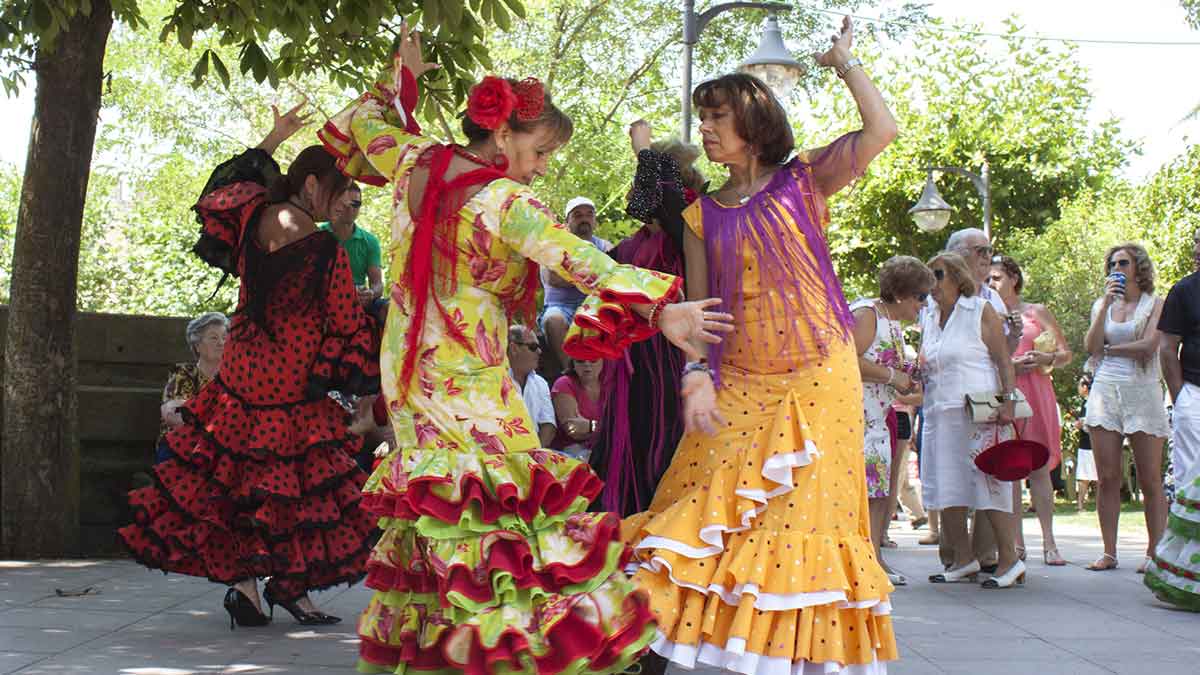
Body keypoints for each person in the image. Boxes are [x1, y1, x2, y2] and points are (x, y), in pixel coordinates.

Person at [319, 27, 733, 674]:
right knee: (511, 504)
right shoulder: (500, 198)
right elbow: (576, 254)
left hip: (408, 370)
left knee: (449, 512)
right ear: (503, 134)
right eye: (540, 150)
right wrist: (661, 306)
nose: (543, 166)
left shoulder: (414, 158)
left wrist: (401, 74)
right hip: (463, 370)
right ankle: (509, 650)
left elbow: (368, 121)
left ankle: (452, 651)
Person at [625, 17, 900, 672]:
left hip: (818, 377)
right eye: (703, 119)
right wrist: (696, 376)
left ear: (753, 121)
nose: (707, 131)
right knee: (695, 503)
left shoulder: (802, 180)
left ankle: (790, 658)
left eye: (717, 117)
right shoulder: (699, 213)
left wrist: (845, 64)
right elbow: (700, 315)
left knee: (806, 513)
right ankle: (673, 644)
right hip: (741, 378)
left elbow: (881, 131)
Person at [120, 104, 381, 629]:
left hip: (242, 371)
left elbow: (224, 188)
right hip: (290, 379)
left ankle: (247, 590)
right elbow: (346, 323)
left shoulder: (256, 214)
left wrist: (273, 137)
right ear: (313, 187)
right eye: (336, 192)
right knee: (294, 487)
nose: (342, 203)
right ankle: (293, 590)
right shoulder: (323, 248)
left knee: (233, 480)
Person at [589, 119, 701, 517]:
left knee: (664, 441)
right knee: (628, 441)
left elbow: (666, 203)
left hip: (671, 358)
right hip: (629, 365)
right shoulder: (629, 247)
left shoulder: (686, 228)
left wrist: (644, 151)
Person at [921, 253, 1025, 588]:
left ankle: (1010, 559)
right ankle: (963, 559)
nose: (931, 282)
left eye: (937, 274)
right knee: (945, 484)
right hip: (939, 410)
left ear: (956, 276)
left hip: (978, 411)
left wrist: (1008, 400)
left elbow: (1002, 360)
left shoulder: (980, 309)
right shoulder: (929, 315)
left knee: (988, 484)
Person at [1083, 243, 1168, 572]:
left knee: (1150, 479)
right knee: (1107, 477)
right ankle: (1109, 551)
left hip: (1143, 391)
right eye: (1113, 263)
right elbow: (1090, 347)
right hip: (1105, 391)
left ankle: (1154, 552)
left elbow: (1148, 347)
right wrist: (1104, 306)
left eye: (1124, 262)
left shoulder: (1155, 304)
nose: (1117, 268)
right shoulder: (1100, 305)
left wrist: (1109, 350)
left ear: (1138, 268)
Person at [851, 255, 934, 585]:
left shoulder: (893, 322)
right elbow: (847, 359)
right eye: (920, 296)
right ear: (902, 293)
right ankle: (863, 563)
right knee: (865, 491)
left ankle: (874, 560)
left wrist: (909, 376)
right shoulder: (866, 314)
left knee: (878, 492)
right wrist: (891, 376)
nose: (923, 305)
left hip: (878, 416)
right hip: (856, 415)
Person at [989, 255, 1071, 566]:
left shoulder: (1037, 312)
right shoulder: (989, 315)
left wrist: (1045, 359)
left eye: (996, 278)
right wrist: (1011, 364)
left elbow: (1065, 353)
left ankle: (1049, 543)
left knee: (1038, 468)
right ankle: (1016, 544)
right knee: (1008, 468)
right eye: (988, 279)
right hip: (1004, 392)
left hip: (1036, 392)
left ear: (1013, 278)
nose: (991, 284)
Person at [1146, 228, 1200, 610]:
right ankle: (1181, 577)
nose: (1197, 248)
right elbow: (1167, 347)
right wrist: (1181, 398)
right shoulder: (1185, 290)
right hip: (1194, 393)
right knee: (1191, 482)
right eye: (1196, 242)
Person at [540, 196, 614, 374]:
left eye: (589, 214)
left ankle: (608, 375)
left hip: (594, 305)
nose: (584, 219)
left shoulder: (605, 246)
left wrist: (574, 275)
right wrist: (594, 273)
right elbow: (555, 280)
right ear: (567, 221)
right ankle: (570, 372)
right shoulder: (555, 245)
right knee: (553, 320)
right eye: (578, 215)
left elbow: (613, 279)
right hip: (561, 306)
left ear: (595, 220)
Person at [156, 312, 228, 464]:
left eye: (224, 337)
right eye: (214, 337)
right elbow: (173, 416)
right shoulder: (185, 375)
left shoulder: (233, 379)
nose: (221, 342)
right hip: (181, 447)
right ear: (197, 346)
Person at [321, 183, 384, 310]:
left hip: (357, 302)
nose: (350, 209)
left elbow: (377, 284)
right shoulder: (318, 235)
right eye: (345, 204)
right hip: (325, 300)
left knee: (390, 309)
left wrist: (370, 294)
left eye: (355, 204)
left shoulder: (370, 241)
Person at [508, 324, 556, 447]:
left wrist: (535, 454)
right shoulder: (495, 380)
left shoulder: (540, 383)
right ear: (514, 348)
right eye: (533, 347)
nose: (539, 351)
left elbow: (548, 425)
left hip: (534, 453)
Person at [552, 358, 604, 461]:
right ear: (573, 363)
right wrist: (606, 428)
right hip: (573, 452)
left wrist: (590, 426)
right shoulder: (564, 383)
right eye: (580, 361)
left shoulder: (612, 384)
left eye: (593, 360)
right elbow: (574, 430)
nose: (587, 364)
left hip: (604, 446)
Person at [1073, 374, 1098, 509]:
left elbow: (1094, 423)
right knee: (1083, 475)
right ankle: (1080, 504)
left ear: (1084, 387)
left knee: (1089, 476)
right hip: (1084, 445)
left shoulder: (1092, 403)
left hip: (1091, 445)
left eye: (1079, 385)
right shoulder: (1085, 402)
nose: (1078, 388)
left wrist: (1082, 424)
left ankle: (1083, 504)